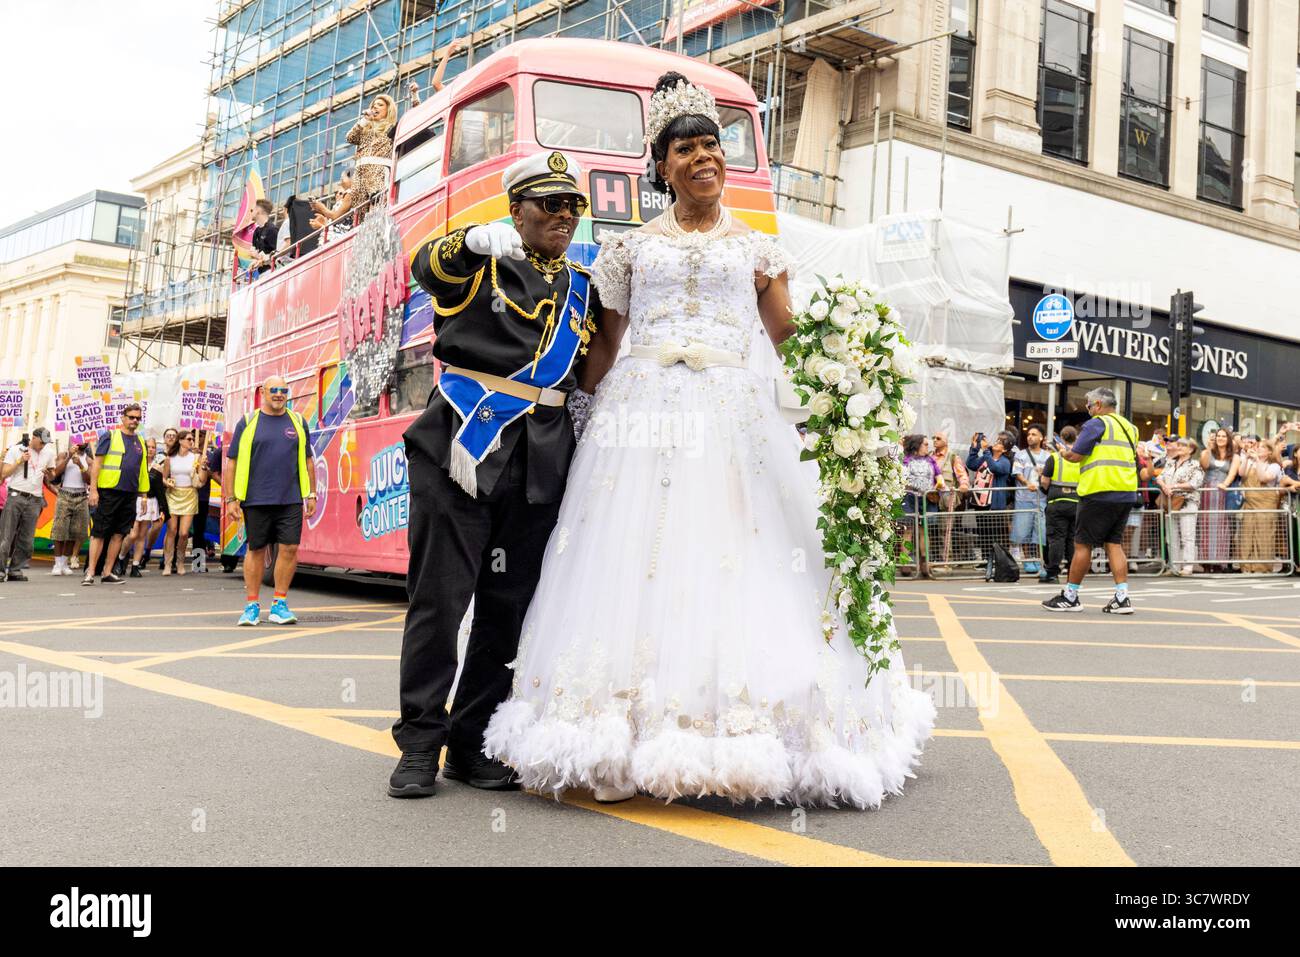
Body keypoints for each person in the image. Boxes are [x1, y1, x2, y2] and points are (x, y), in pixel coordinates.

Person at [481, 71, 936, 807]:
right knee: (635, 562)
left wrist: (848, 389)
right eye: (686, 148)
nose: (703, 158)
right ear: (662, 166)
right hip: (641, 419)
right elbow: (603, 348)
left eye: (712, 146)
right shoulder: (628, 252)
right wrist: (560, 408)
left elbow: (788, 336)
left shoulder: (757, 249)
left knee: (743, 555)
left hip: (734, 418)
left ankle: (748, 724)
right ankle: (617, 728)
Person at [387, 148, 598, 798]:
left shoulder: (584, 288)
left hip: (539, 456)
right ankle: (419, 741)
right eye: (548, 204)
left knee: (507, 609)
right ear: (517, 210)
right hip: (463, 445)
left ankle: (472, 743)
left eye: (571, 206)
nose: (562, 215)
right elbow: (426, 268)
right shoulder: (481, 262)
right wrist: (471, 241)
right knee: (441, 600)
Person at [226, 376, 316, 625]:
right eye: (274, 390)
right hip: (255, 498)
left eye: (284, 391)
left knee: (289, 549)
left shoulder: (298, 422)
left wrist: (312, 493)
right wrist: (231, 497)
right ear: (263, 392)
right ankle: (252, 606)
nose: (279, 394)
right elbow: (231, 462)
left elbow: (308, 460)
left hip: (290, 498)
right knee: (256, 550)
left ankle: (279, 603)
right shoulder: (248, 422)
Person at [1042, 387, 1140, 613]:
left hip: (1099, 490)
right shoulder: (1130, 427)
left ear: (1097, 405)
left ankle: (1070, 596)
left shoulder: (1096, 423)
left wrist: (1064, 452)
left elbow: (1076, 456)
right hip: (1125, 492)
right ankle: (1122, 598)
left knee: (1082, 544)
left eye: (1088, 405)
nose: (1087, 409)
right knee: (1114, 543)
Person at [86, 404, 149, 586]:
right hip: (109, 491)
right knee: (99, 532)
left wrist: (144, 495)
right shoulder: (110, 436)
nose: (134, 421)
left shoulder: (140, 441)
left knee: (119, 533)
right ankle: (90, 572)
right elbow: (96, 465)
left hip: (129, 493)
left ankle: (107, 572)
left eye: (137, 418)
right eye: (131, 417)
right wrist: (94, 490)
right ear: (123, 417)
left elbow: (142, 471)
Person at [313, 95, 396, 227]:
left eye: (380, 105)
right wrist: (365, 119)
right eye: (374, 105)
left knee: (377, 202)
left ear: (388, 110)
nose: (375, 107)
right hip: (360, 173)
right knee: (360, 211)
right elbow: (350, 137)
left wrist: (414, 95)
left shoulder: (391, 128)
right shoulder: (365, 130)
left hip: (378, 170)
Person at [0, 427, 57, 581]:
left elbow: (53, 475)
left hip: (35, 499)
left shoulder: (49, 453)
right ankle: (0, 570)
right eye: (41, 442)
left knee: (26, 538)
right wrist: (20, 461)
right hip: (16, 495)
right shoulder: (16, 450)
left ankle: (15, 570)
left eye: (46, 443)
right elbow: (4, 473)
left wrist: (50, 474)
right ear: (34, 437)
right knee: (6, 535)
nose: (43, 445)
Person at [1037, 424, 1080, 585]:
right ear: (1076, 438)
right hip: (1077, 501)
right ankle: (1073, 572)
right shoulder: (1080, 457)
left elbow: (1045, 482)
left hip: (1057, 500)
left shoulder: (1054, 457)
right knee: (1073, 539)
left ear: (1061, 438)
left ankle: (1052, 573)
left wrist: (1043, 485)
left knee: (1056, 538)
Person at [162, 430, 208, 576]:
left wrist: (204, 467)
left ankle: (180, 562)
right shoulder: (170, 458)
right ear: (180, 441)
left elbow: (202, 480)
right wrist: (167, 483)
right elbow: (163, 478)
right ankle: (168, 564)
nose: (191, 442)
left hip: (189, 495)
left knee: (183, 533)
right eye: (188, 439)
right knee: (172, 530)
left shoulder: (196, 457)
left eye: (191, 439)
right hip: (173, 495)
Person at [966, 430, 1014, 559]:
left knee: (993, 533)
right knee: (982, 532)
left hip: (994, 503)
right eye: (997, 440)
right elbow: (971, 464)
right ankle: (985, 559)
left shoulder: (1005, 461)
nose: (996, 442)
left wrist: (986, 450)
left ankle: (995, 560)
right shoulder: (986, 456)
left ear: (1004, 450)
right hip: (980, 501)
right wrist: (975, 447)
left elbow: (994, 468)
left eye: (1000, 442)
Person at [1159, 437, 1203, 576]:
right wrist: (1165, 486)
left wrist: (1174, 486)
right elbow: (1160, 477)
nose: (1179, 448)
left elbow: (1195, 482)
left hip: (1187, 502)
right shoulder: (1171, 463)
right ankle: (1174, 566)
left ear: (1191, 449)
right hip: (1170, 501)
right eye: (1178, 445)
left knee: (1187, 534)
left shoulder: (1195, 464)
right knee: (1171, 536)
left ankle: (1188, 566)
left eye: (1183, 446)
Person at [1239, 439, 1284, 574]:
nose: (1259, 449)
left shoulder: (1274, 466)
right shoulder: (1251, 462)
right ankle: (1246, 567)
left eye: (1263, 447)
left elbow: (1263, 478)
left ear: (1270, 452)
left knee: (1263, 536)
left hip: (1266, 504)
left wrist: (1258, 460)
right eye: (1259, 447)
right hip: (1250, 504)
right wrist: (1246, 458)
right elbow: (1241, 474)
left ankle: (1262, 568)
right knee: (1247, 535)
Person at [50, 440, 92, 576]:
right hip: (65, 494)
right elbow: (55, 473)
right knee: (60, 529)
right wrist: (69, 456)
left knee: (75, 531)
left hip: (81, 496)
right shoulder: (63, 455)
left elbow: (89, 480)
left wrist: (80, 464)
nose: (80, 444)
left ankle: (64, 562)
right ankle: (57, 563)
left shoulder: (89, 460)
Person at [1010, 424, 1049, 573]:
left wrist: (1043, 475)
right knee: (1023, 530)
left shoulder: (1048, 456)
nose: (1030, 437)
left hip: (1041, 498)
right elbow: (1017, 473)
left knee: (1040, 531)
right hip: (1024, 498)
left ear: (1041, 437)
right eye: (1028, 434)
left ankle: (1039, 561)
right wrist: (1027, 483)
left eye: (1034, 434)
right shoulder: (1021, 454)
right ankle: (1027, 561)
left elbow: (1050, 475)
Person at [126, 437, 166, 578]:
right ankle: (121, 557)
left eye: (153, 447)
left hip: (151, 501)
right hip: (136, 500)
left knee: (142, 534)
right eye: (148, 447)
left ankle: (136, 565)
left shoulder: (158, 467)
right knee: (132, 534)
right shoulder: (135, 464)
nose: (150, 449)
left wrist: (162, 509)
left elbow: (160, 490)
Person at [901, 433, 941, 575]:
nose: (927, 446)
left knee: (924, 530)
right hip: (910, 497)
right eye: (925, 444)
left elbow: (939, 477)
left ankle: (925, 562)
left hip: (927, 498)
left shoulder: (931, 461)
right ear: (917, 445)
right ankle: (905, 562)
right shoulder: (905, 460)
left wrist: (939, 488)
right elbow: (902, 478)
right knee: (908, 530)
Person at [1199, 427, 1237, 572]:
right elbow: (1204, 465)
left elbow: (1232, 473)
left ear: (1228, 439)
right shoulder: (1207, 452)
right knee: (1206, 527)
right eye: (1218, 436)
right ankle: (1206, 562)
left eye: (1223, 436)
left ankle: (1219, 561)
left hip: (1223, 492)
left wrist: (1225, 485)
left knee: (1221, 527)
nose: (1220, 438)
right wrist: (1208, 449)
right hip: (1207, 491)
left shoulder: (1234, 456)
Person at [930, 430, 968, 564]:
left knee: (944, 529)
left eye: (938, 438)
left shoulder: (953, 456)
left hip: (947, 497)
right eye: (933, 438)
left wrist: (963, 485)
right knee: (930, 529)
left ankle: (946, 560)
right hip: (930, 497)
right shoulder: (930, 456)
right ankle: (933, 559)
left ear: (945, 441)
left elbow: (961, 474)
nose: (935, 440)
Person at [192, 433, 220, 559]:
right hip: (184, 497)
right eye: (192, 436)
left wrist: (203, 465)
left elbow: (213, 474)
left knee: (199, 530)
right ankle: (171, 561)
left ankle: (198, 563)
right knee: (179, 531)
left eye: (200, 435)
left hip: (202, 497)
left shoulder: (209, 456)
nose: (197, 438)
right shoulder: (185, 454)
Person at [250, 199, 278, 277]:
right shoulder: (257, 231)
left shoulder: (272, 229)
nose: (251, 213)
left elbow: (279, 254)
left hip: (271, 271)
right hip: (262, 273)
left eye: (252, 210)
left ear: (258, 211)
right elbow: (255, 253)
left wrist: (259, 258)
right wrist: (255, 261)